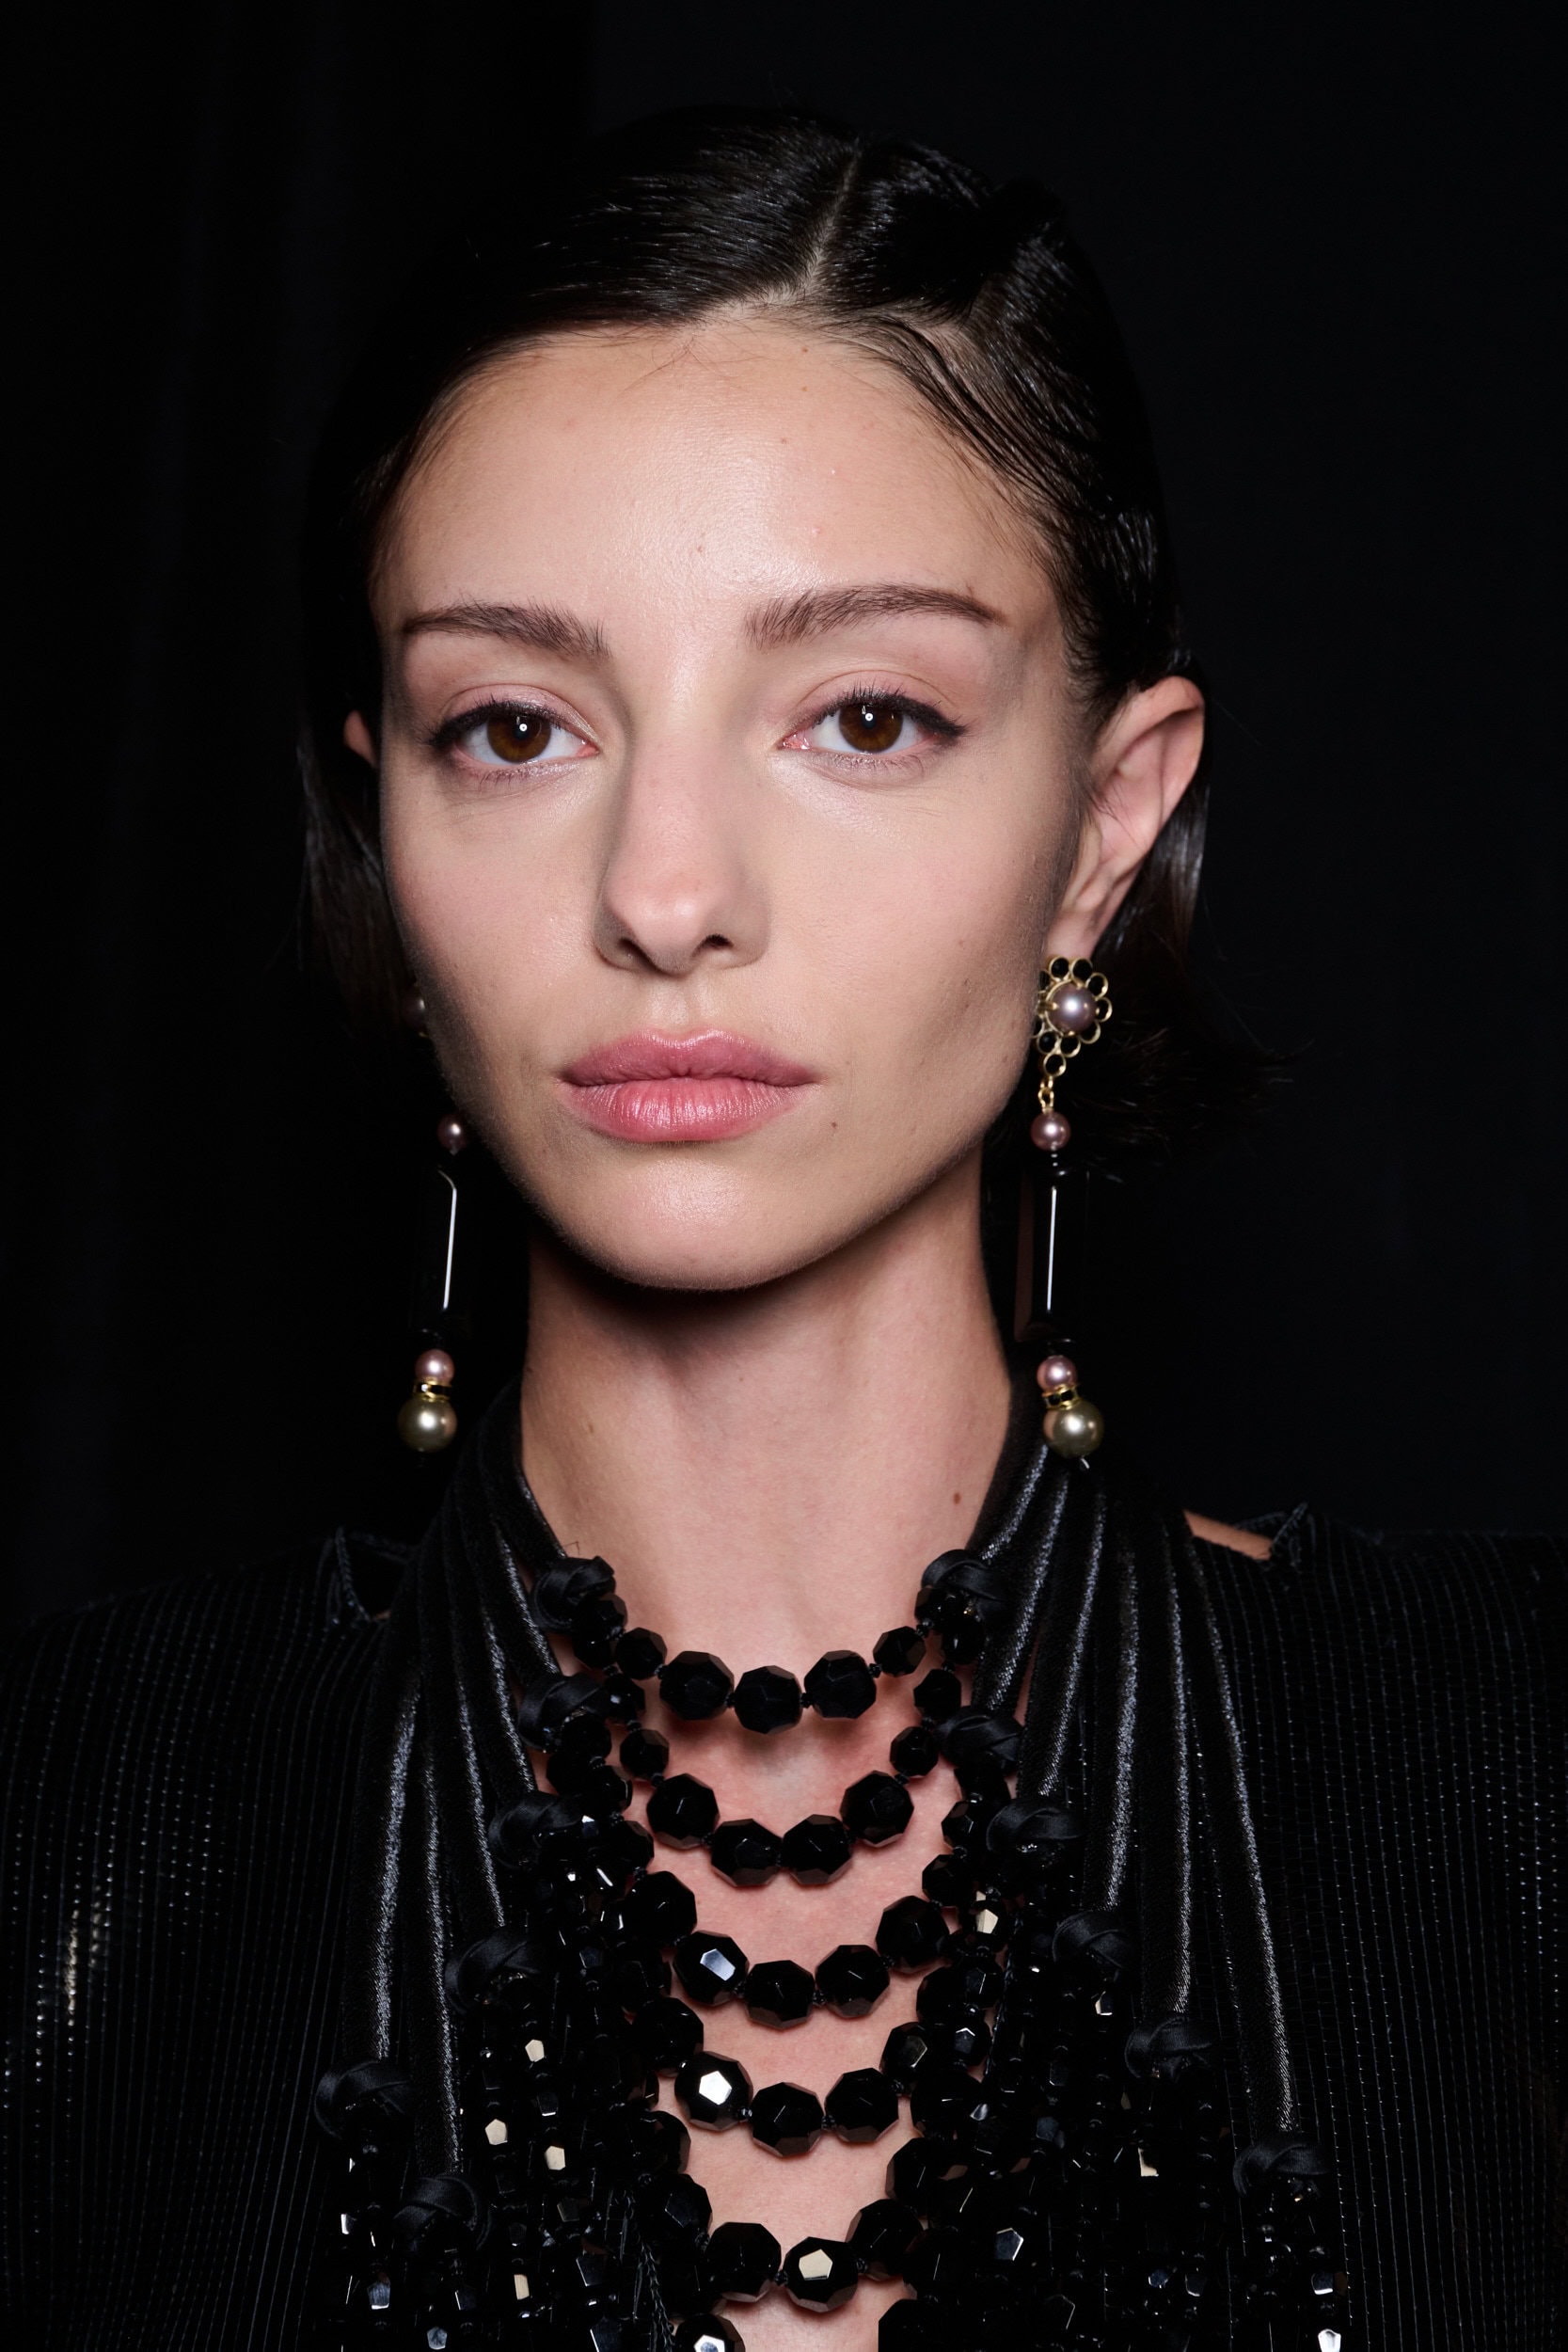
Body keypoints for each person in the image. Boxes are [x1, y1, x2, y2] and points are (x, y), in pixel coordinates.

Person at [2, 109, 1561, 2352]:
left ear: (1106, 824)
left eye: (864, 715)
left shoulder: (1504, 1774)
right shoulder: (67, 1836)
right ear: (383, 822)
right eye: (514, 726)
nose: (666, 893)